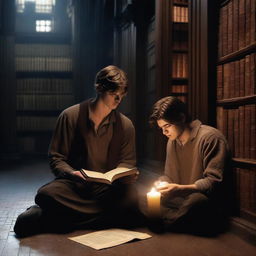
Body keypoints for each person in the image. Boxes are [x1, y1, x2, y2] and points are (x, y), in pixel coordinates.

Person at [14, 65, 139, 237]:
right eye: (113, 93)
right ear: (99, 88)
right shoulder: (70, 116)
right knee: (46, 194)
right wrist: (72, 173)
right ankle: (101, 220)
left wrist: (126, 174)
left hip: (107, 191)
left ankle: (56, 219)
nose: (118, 99)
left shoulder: (126, 125)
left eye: (122, 95)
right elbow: (56, 158)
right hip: (74, 187)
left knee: (133, 199)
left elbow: (127, 161)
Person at [149, 96, 231, 235]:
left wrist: (180, 189)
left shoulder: (211, 138)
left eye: (167, 126)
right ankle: (172, 221)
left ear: (181, 118)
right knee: (144, 197)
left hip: (203, 201)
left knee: (197, 202)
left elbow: (213, 183)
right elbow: (170, 176)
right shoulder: (172, 141)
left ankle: (159, 221)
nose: (164, 132)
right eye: (161, 128)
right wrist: (162, 183)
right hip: (179, 201)